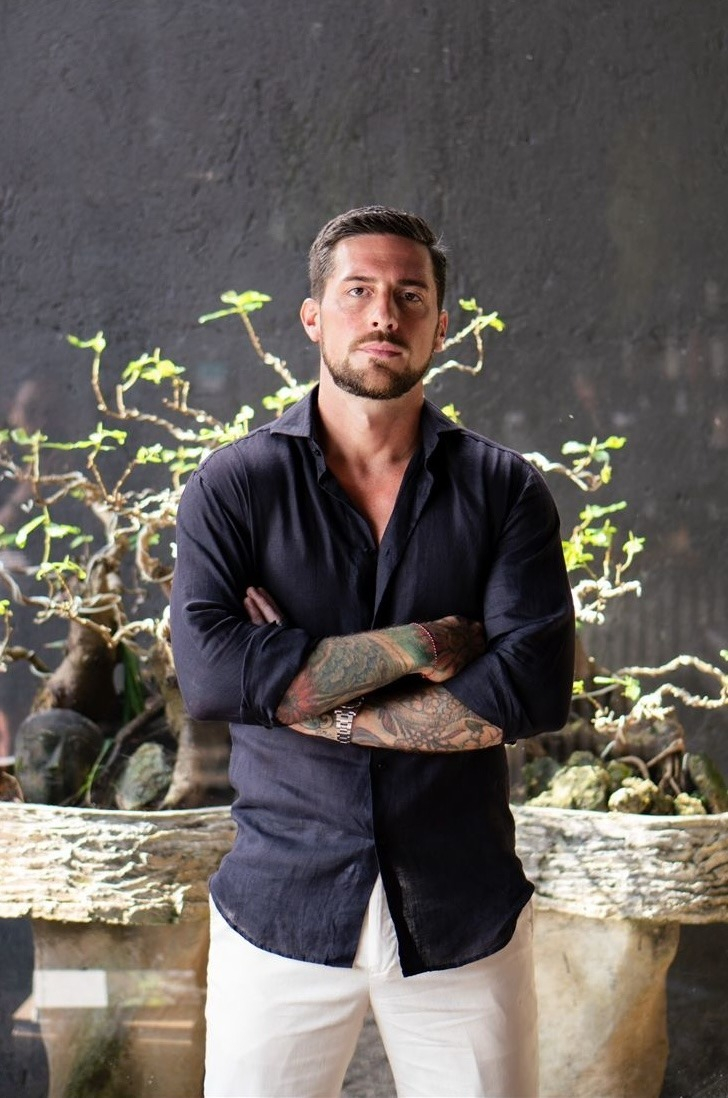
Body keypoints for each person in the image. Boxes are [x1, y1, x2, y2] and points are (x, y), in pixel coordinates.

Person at [170, 205, 575, 1098]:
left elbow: (529, 694)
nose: (384, 314)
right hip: (280, 915)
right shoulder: (235, 486)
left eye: (409, 295)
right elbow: (212, 675)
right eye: (358, 292)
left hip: (463, 918)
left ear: (441, 323)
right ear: (313, 316)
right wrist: (422, 642)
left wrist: (301, 688)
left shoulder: (505, 491)